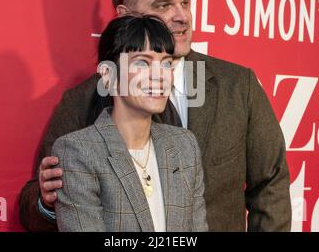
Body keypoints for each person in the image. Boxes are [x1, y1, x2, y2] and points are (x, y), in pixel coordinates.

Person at [19, 0, 292, 232]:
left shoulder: (238, 85)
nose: (182, 17)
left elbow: (270, 185)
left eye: (185, 3)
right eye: (163, 6)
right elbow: (31, 209)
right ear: (126, 16)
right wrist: (46, 200)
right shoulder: (82, 101)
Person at [52, 14, 207, 231]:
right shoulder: (78, 152)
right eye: (143, 62)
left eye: (167, 64)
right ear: (108, 76)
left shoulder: (185, 146)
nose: (159, 76)